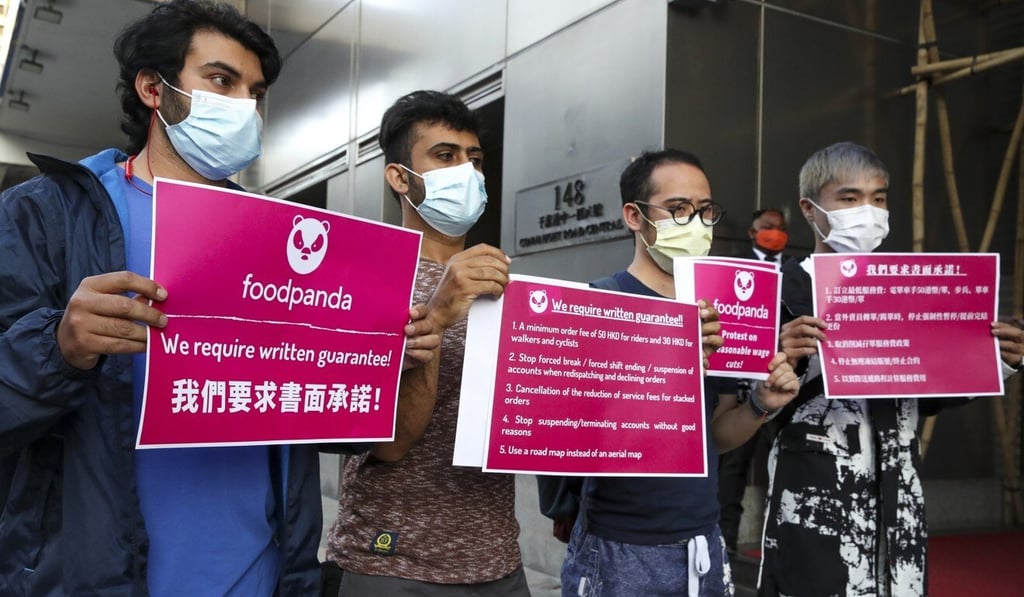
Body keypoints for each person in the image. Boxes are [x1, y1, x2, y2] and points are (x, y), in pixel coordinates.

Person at [0, 2, 438, 595]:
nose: (243, 107)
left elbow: (326, 419)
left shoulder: (284, 236)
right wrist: (60, 347)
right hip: (99, 577)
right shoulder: (47, 214)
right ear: (154, 89)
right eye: (220, 81)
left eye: (253, 91)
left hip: (261, 576)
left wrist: (384, 358)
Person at [758, 141, 1024, 596]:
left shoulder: (905, 285)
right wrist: (791, 360)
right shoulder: (781, 291)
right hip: (814, 501)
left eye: (878, 198)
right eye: (849, 198)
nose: (868, 211)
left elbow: (928, 392)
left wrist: (998, 362)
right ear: (809, 207)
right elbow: (750, 404)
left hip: (899, 499)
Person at [559, 148, 801, 597]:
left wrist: (760, 403)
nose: (696, 222)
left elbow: (717, 433)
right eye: (677, 209)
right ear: (634, 216)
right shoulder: (599, 305)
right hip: (619, 546)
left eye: (705, 210)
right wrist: (667, 361)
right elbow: (578, 433)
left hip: (702, 542)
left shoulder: (719, 310)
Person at [325, 90, 530, 595]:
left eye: (474, 159)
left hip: (498, 560)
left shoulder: (507, 290)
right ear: (400, 177)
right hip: (393, 561)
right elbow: (388, 445)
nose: (468, 171)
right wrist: (436, 316)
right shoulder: (360, 280)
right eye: (445, 156)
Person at [717, 207, 792, 555]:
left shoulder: (796, 273)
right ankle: (726, 552)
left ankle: (783, 553)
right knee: (731, 476)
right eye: (767, 228)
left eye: (780, 228)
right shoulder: (732, 270)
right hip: (744, 392)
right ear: (751, 232)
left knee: (788, 474)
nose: (774, 233)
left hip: (785, 391)